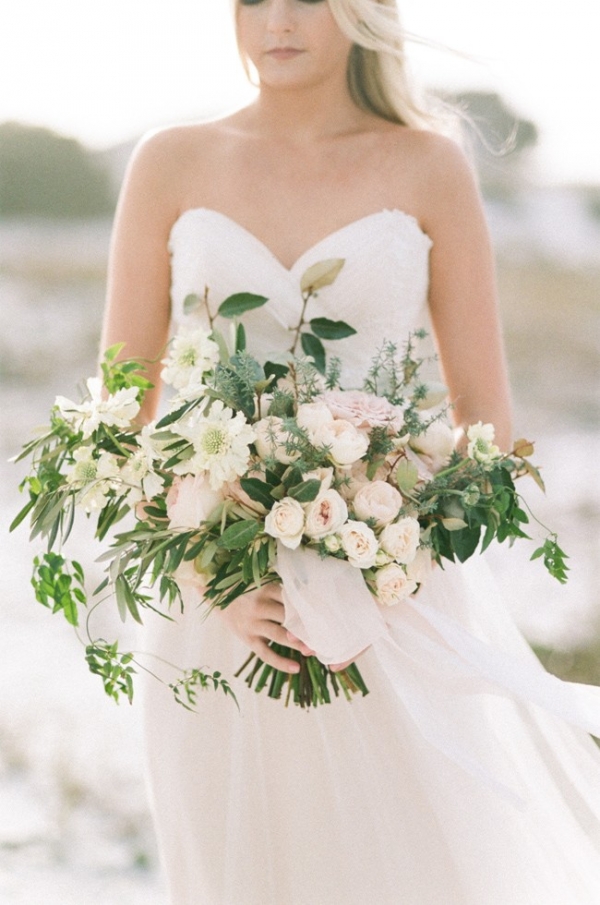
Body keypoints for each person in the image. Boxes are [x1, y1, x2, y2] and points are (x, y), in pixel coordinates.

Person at [101, 2, 600, 903]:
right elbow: (117, 421)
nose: (276, 20)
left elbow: (488, 422)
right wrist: (215, 576)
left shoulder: (428, 166)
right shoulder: (169, 161)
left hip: (391, 612)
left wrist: (378, 557)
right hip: (212, 616)